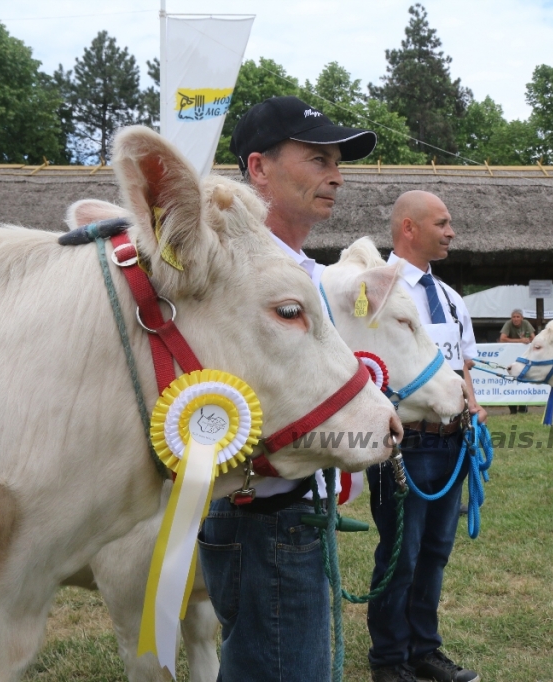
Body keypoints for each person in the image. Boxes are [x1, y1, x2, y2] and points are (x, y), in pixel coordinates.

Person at [198, 96, 378, 682]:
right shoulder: (238, 281)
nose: (337, 175)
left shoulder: (303, 272)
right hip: (264, 510)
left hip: (288, 511)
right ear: (258, 169)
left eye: (337, 161)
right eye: (318, 158)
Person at [368, 190, 484, 682]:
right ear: (409, 228)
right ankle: (390, 660)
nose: (451, 231)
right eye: (442, 223)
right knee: (402, 553)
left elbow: (462, 367)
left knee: (435, 552)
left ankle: (423, 650)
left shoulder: (454, 299)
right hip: (404, 444)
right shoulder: (375, 289)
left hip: (452, 443)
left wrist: (473, 409)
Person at [499, 309, 535, 414]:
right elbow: (502, 338)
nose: (515, 319)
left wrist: (528, 341)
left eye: (518, 317)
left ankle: (523, 407)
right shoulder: (508, 324)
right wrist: (520, 341)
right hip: (510, 357)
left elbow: (534, 338)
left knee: (523, 379)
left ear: (522, 318)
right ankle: (512, 408)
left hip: (523, 358)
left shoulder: (526, 324)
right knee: (510, 380)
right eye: (513, 317)